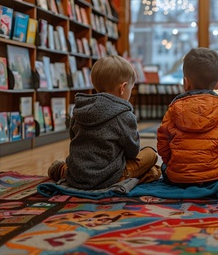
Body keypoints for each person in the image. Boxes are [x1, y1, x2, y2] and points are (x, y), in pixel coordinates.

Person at [47, 55, 161, 190]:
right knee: (150, 154)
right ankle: (146, 174)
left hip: (77, 174)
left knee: (77, 166)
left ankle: (62, 170)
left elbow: (74, 138)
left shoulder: (80, 109)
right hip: (107, 176)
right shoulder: (124, 115)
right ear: (123, 88)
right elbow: (132, 152)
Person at [157, 47, 218, 186]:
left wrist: (171, 164)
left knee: (163, 168)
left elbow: (163, 143)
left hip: (178, 179)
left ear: (185, 83)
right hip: (216, 178)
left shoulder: (173, 109)